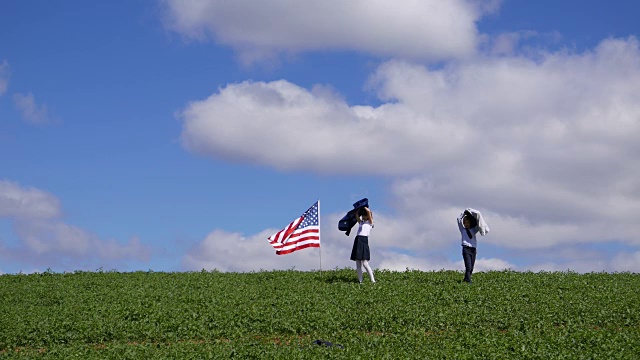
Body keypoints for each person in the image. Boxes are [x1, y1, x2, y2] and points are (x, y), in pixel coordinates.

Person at [458, 208, 490, 284]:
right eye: (465, 223)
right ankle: (469, 282)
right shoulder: (462, 230)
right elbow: (458, 219)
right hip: (466, 249)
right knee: (468, 266)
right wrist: (464, 213)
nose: (466, 224)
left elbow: (479, 224)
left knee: (471, 267)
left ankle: (466, 279)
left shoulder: (473, 230)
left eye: (468, 223)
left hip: (473, 249)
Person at [350, 206, 376, 283]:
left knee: (365, 263)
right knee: (358, 262)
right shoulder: (361, 222)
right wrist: (358, 209)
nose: (363, 216)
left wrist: (364, 206)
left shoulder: (370, 223)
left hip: (364, 240)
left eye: (364, 215)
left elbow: (368, 212)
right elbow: (357, 215)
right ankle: (360, 281)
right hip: (358, 240)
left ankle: (372, 280)